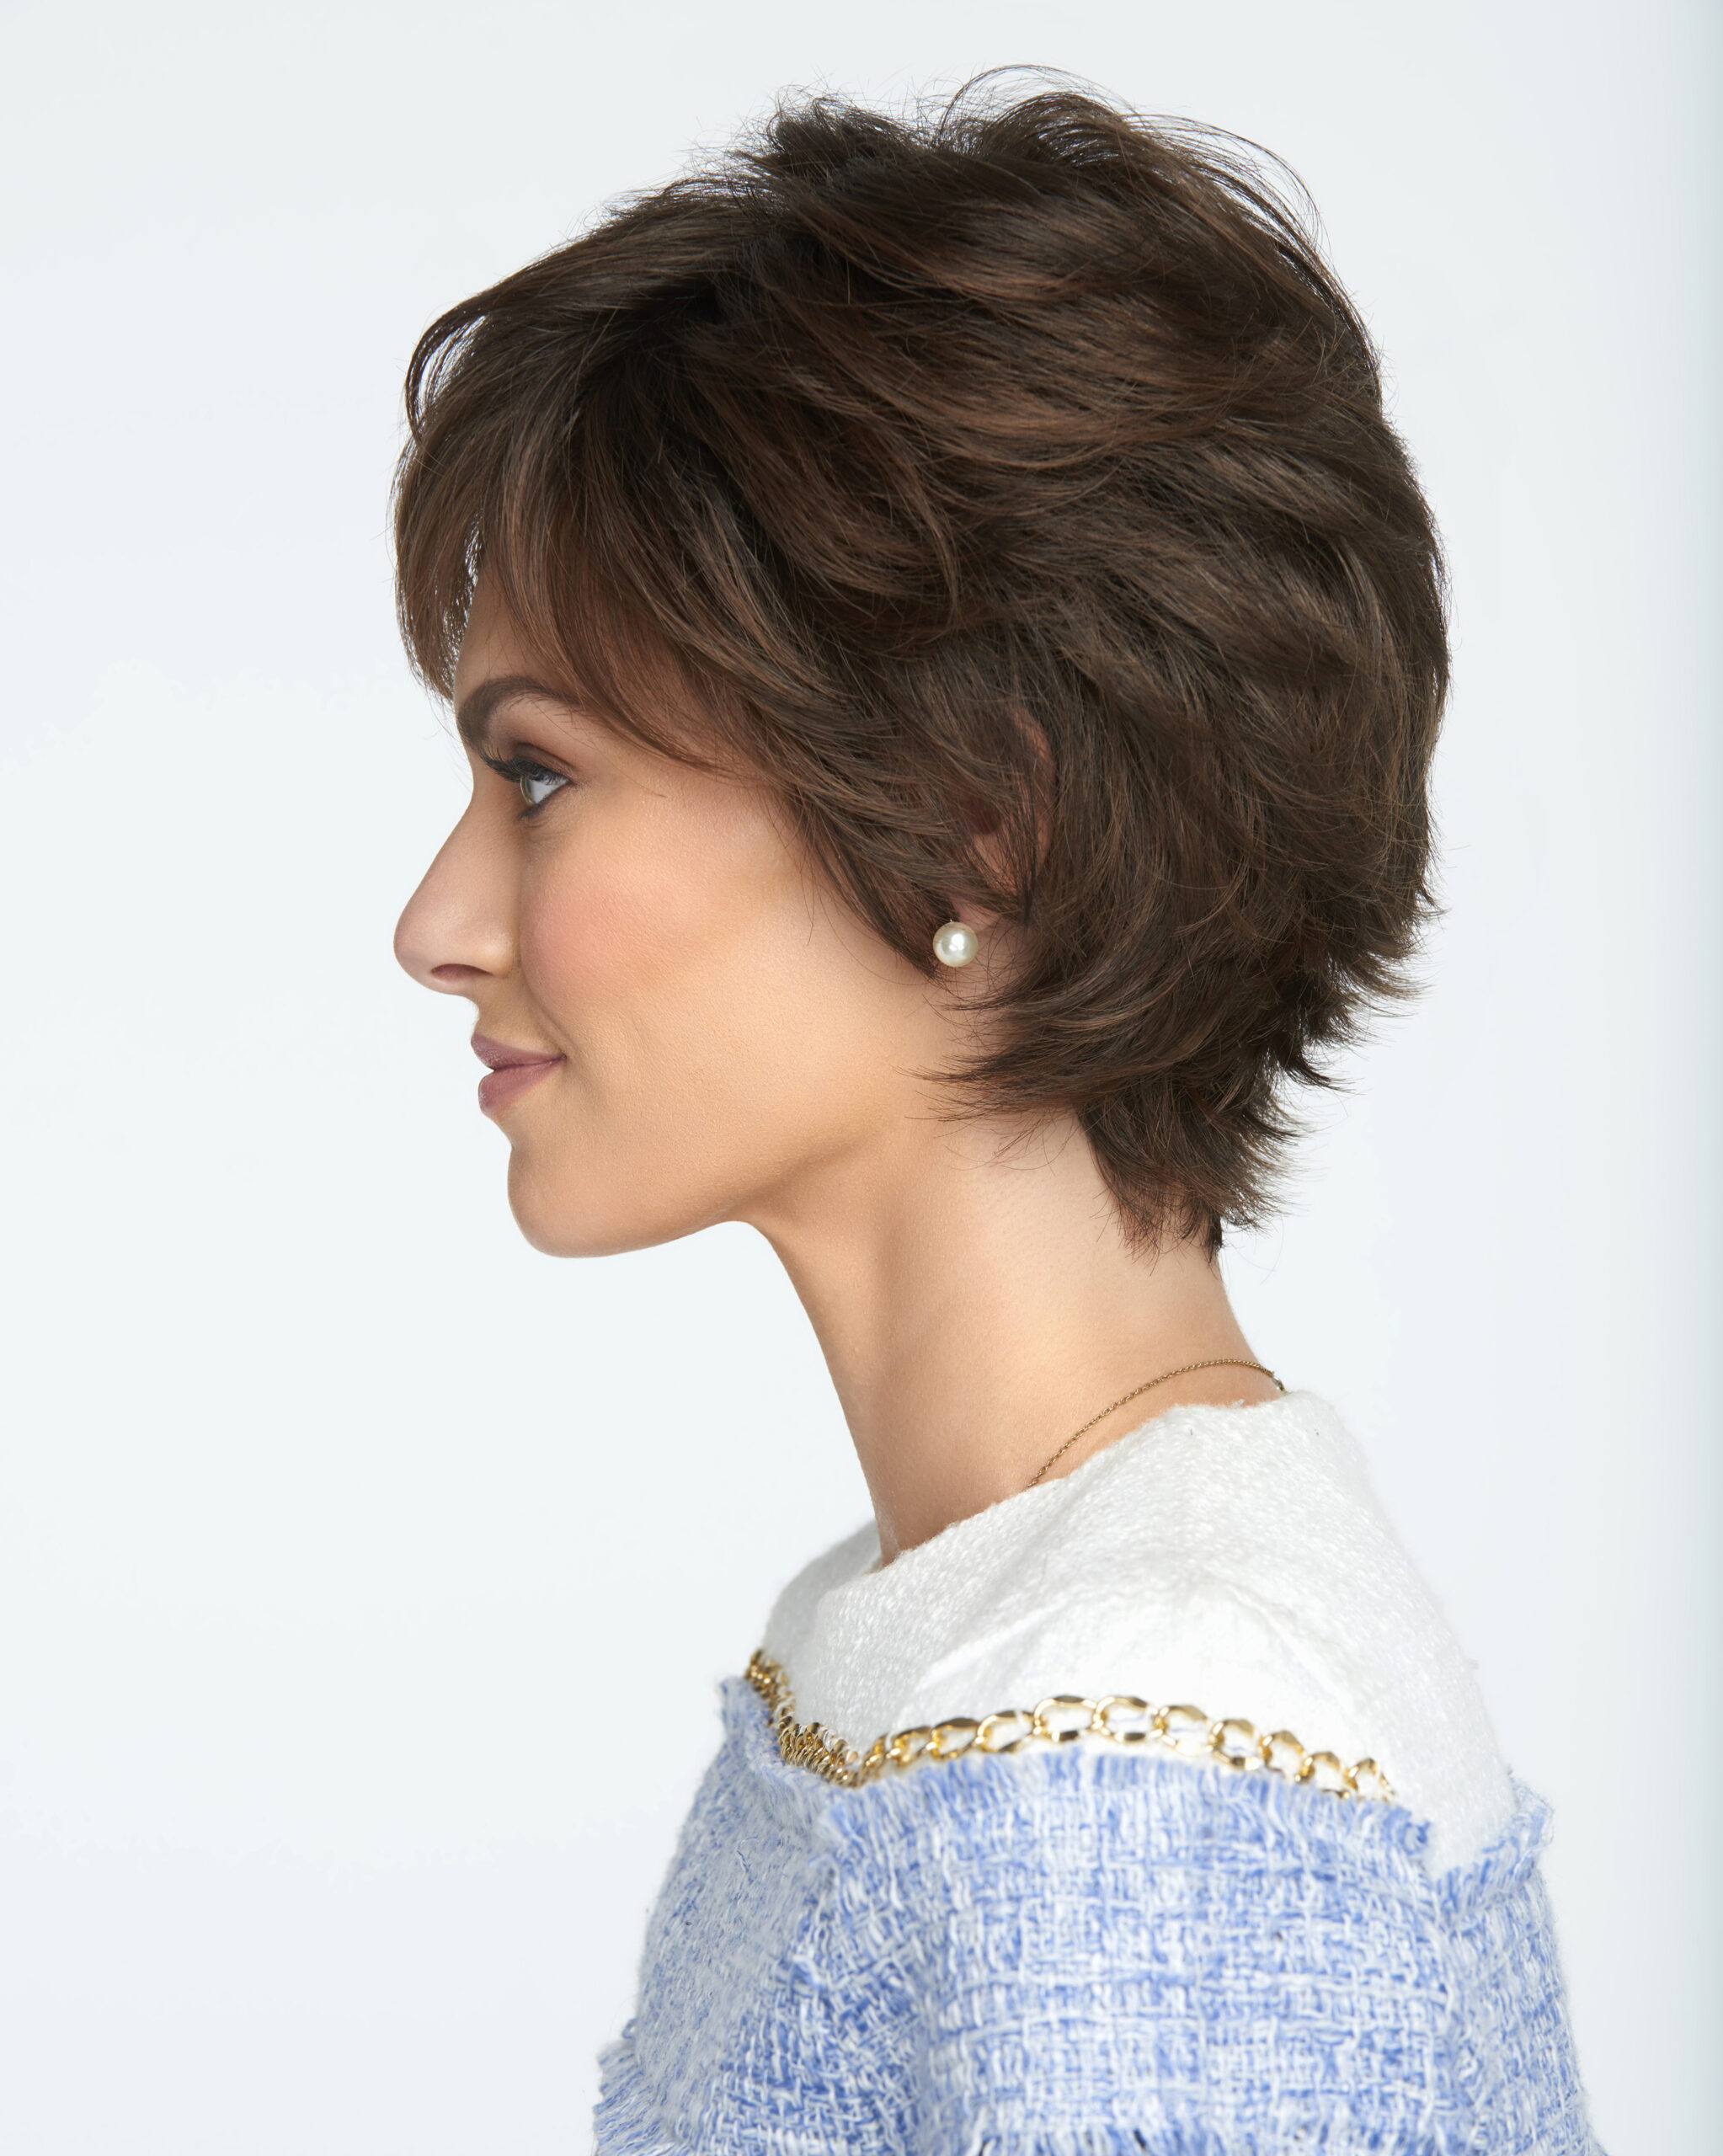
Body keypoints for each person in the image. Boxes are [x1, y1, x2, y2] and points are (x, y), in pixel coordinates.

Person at [391, 80, 1597, 2153]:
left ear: (977, 819)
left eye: (542, 776)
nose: (437, 922)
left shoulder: (1149, 1758)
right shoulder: (997, 1640)